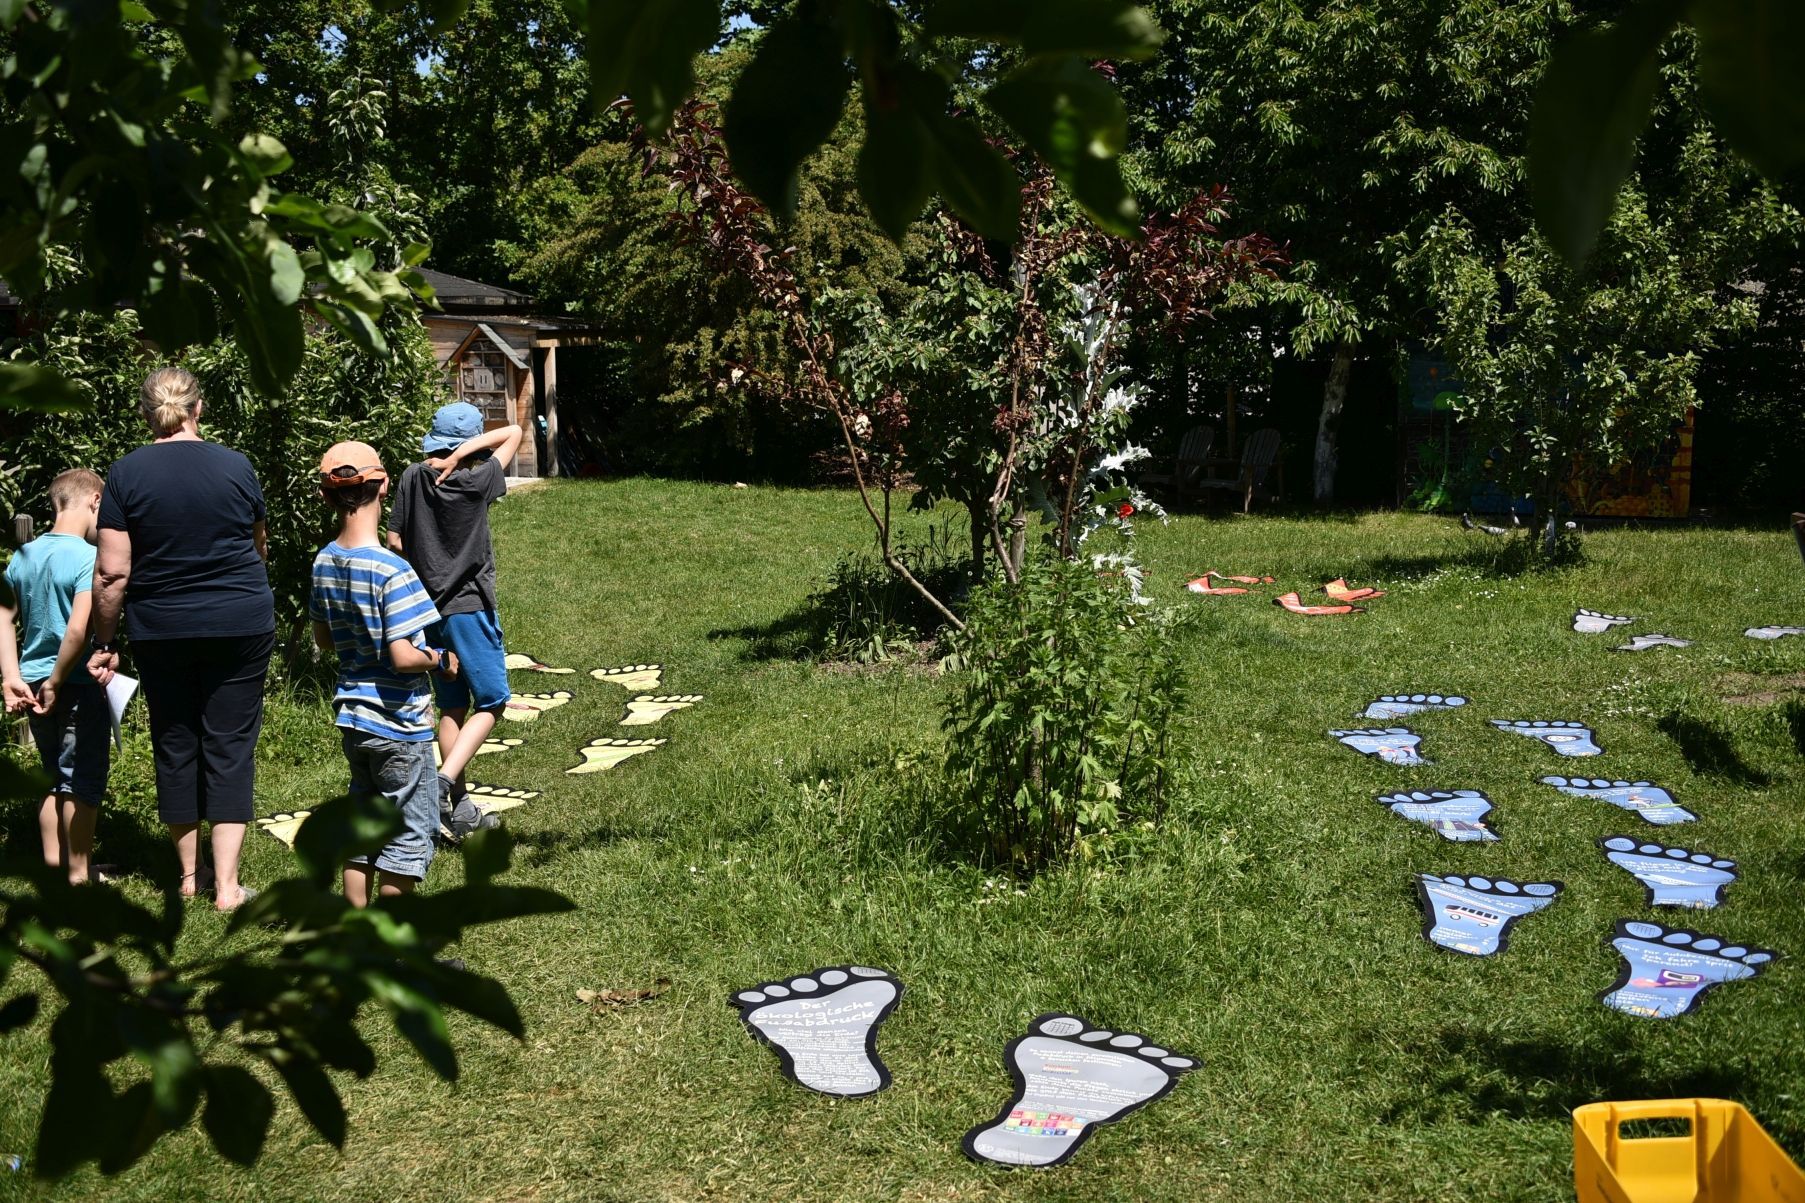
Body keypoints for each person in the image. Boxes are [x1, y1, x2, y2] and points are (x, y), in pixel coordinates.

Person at [87, 367, 274, 911]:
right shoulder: (237, 466)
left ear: (147, 414)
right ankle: (229, 886)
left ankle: (190, 876)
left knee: (175, 740)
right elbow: (258, 545)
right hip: (239, 620)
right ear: (200, 409)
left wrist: (105, 639)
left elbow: (112, 573)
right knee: (230, 744)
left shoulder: (124, 474)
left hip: (161, 626)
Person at [309, 442, 450, 906]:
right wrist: (440, 660)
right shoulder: (394, 570)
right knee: (407, 838)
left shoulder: (324, 562)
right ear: (384, 485)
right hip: (398, 726)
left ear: (328, 496)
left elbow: (325, 640)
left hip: (353, 718)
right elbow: (403, 656)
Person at [388, 402, 522, 841]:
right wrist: (464, 453)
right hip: (469, 608)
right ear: (468, 442)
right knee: (493, 701)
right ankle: (443, 782)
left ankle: (459, 810)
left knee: (451, 705)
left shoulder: (411, 476)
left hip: (427, 611)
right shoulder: (478, 478)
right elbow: (516, 431)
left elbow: (394, 540)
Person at [1, 469, 110, 883]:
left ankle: (53, 869)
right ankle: (79, 875)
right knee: (81, 781)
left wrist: (11, 674)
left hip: (29, 682)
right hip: (74, 683)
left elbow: (3, 616)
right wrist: (58, 678)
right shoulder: (87, 557)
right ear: (94, 502)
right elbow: (79, 630)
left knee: (50, 774)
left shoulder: (23, 556)